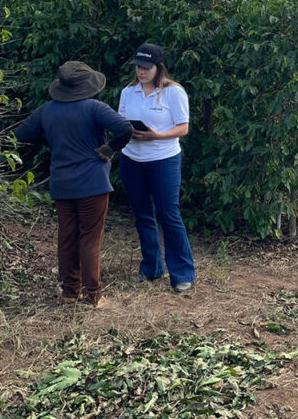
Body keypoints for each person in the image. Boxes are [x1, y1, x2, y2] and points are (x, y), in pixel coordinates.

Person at [15, 61, 132, 308]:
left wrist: (51, 145)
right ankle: (93, 296)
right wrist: (109, 149)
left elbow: (21, 135)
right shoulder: (94, 108)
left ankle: (70, 292)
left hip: (62, 183)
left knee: (66, 237)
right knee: (89, 238)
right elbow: (124, 129)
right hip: (92, 183)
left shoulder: (47, 111)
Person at [118, 43, 196, 293]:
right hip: (132, 159)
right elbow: (120, 121)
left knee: (168, 214)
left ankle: (182, 273)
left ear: (158, 68)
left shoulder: (173, 93)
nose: (141, 72)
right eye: (138, 67)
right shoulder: (128, 92)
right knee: (143, 215)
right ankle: (151, 267)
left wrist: (157, 136)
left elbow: (183, 128)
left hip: (164, 159)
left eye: (146, 68)